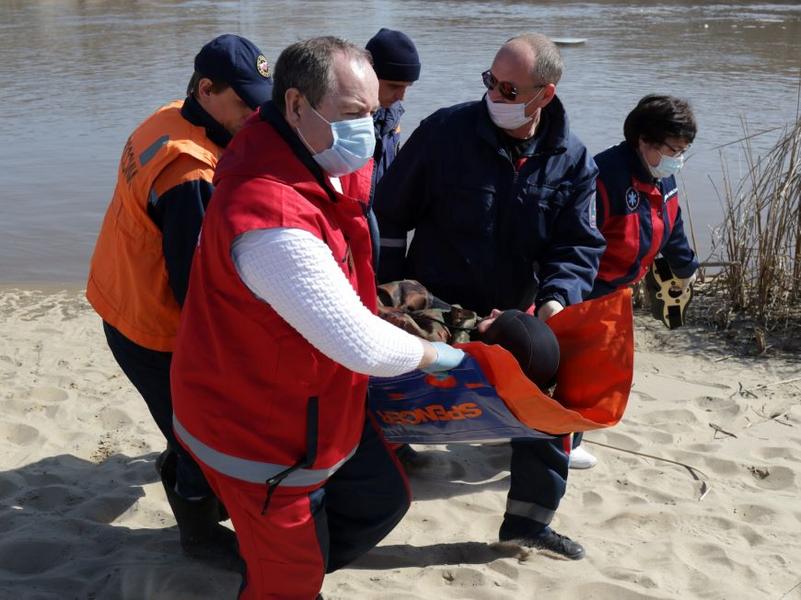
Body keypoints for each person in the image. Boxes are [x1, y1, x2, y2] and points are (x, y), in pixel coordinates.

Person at [169, 36, 466, 599]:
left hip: (308, 402)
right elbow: (360, 346)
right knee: (289, 582)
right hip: (259, 437)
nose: (368, 130)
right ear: (296, 105)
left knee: (384, 496)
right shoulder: (270, 215)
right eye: (354, 115)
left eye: (374, 114)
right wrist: (438, 356)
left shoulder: (304, 152)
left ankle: (287, 558)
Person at [374, 33, 605, 560]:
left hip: (512, 313)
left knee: (549, 397)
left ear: (543, 95)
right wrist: (384, 294)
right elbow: (388, 216)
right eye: (489, 81)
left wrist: (555, 301)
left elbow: (577, 247)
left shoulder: (572, 160)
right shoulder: (444, 132)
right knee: (382, 388)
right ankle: (375, 470)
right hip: (432, 302)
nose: (493, 96)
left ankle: (527, 522)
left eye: (507, 88)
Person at [85, 34, 273, 567]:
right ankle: (199, 535)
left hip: (118, 294)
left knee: (190, 425)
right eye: (246, 105)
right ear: (206, 89)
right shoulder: (189, 172)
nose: (255, 116)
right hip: (152, 328)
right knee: (200, 431)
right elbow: (198, 290)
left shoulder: (168, 117)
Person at [570, 94, 700, 468]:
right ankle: (563, 443)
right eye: (674, 148)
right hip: (589, 286)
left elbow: (670, 227)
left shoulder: (663, 176)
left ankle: (564, 437)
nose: (679, 158)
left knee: (601, 371)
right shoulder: (602, 177)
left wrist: (686, 267)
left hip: (619, 291)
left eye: (684, 150)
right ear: (645, 141)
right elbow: (577, 240)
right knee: (580, 370)